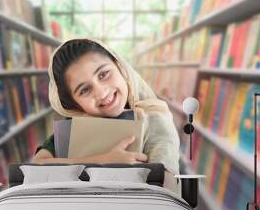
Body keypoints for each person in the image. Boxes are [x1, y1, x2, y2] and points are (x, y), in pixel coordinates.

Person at [31, 38, 180, 194]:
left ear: (120, 67)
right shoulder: (74, 127)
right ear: (75, 105)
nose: (102, 93)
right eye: (84, 90)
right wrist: (103, 160)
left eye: (103, 74)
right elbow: (38, 166)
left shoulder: (156, 117)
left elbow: (168, 190)